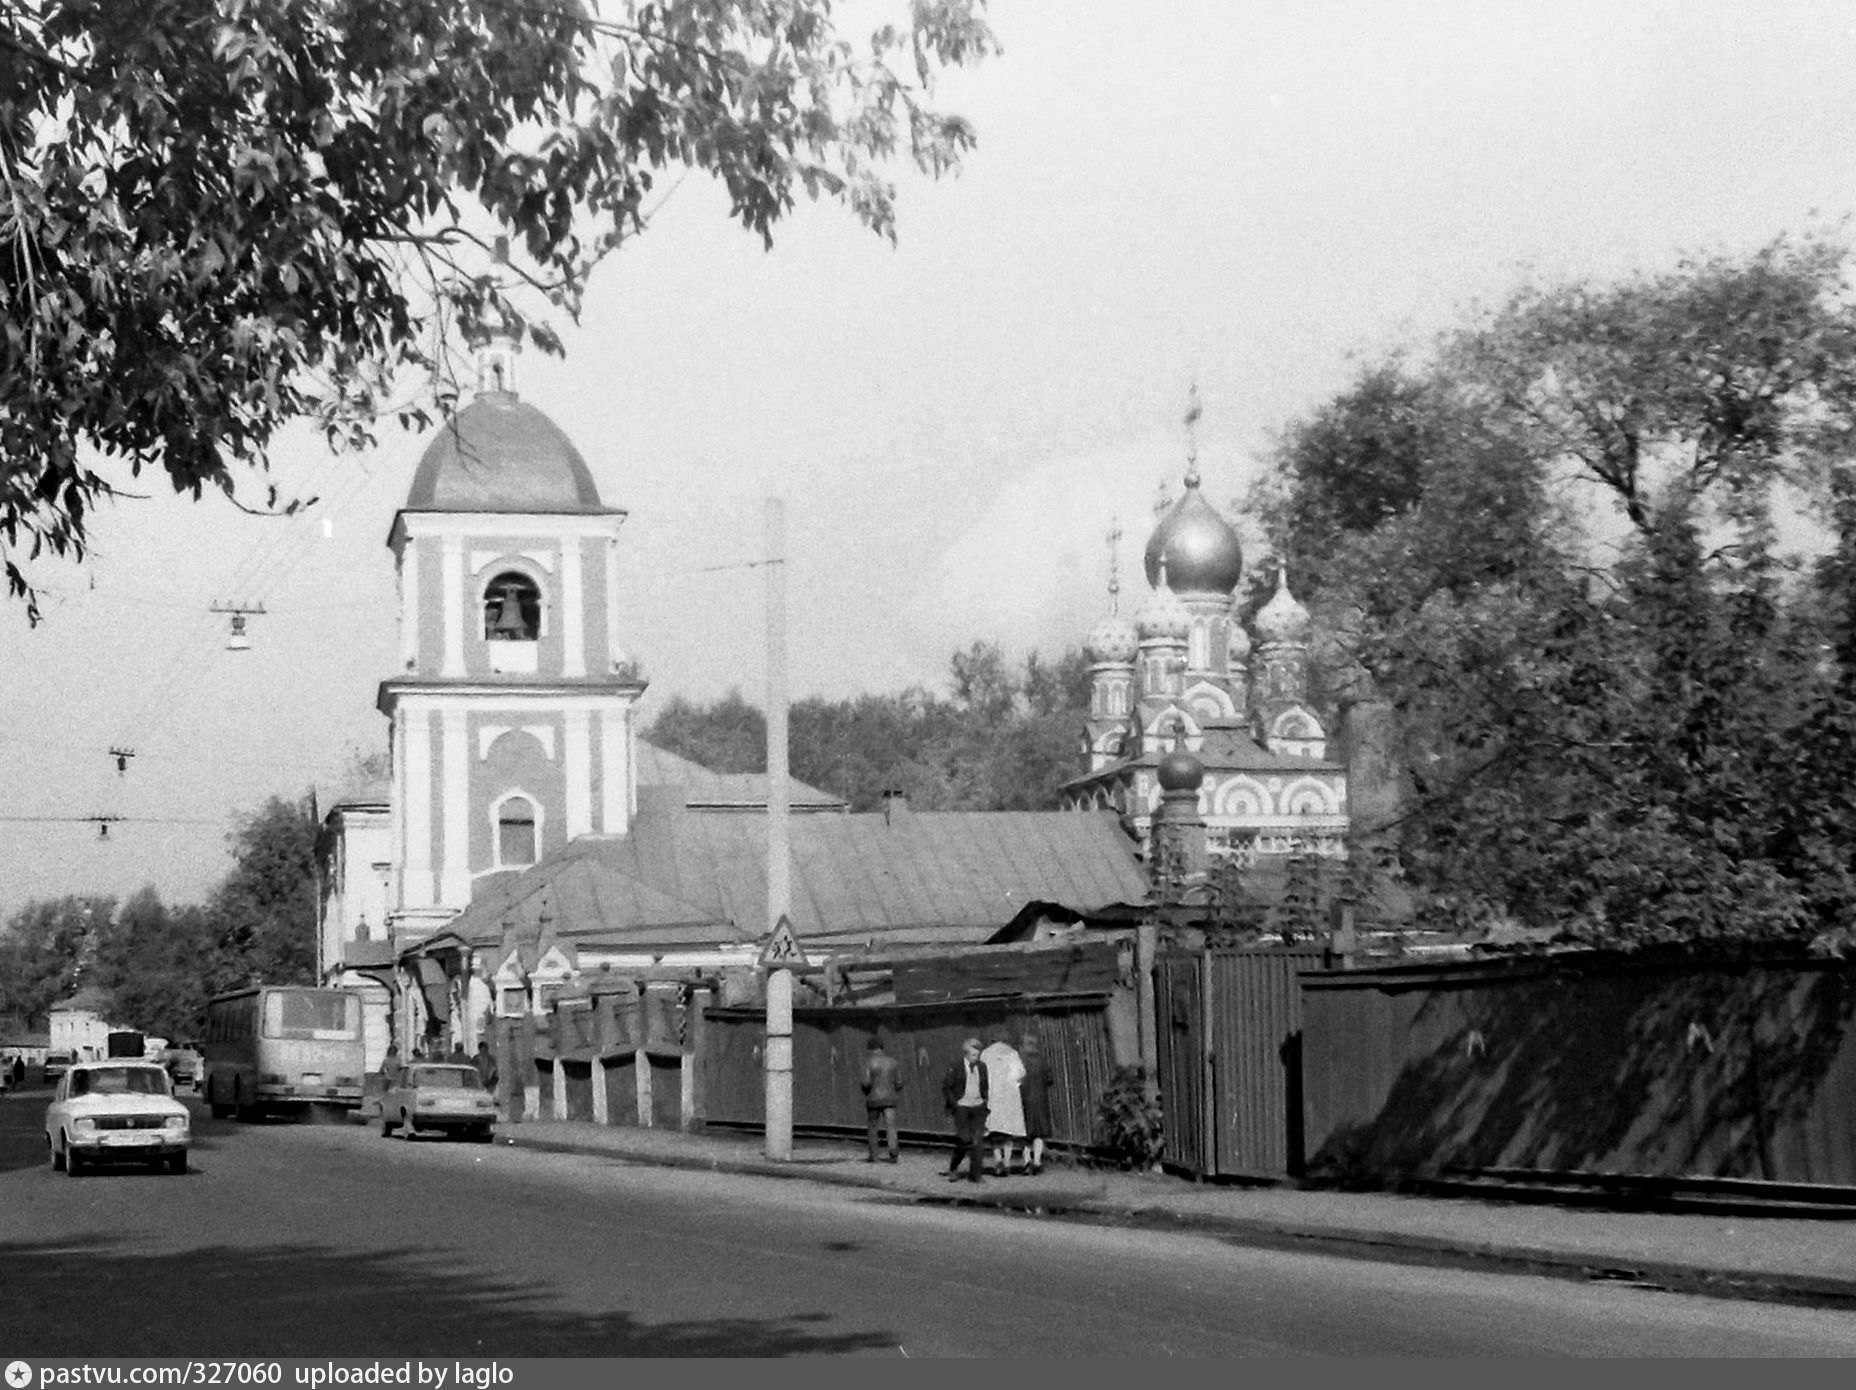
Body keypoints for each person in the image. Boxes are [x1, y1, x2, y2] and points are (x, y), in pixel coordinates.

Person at [941, 1037, 989, 1183]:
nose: (977, 1058)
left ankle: (975, 1175)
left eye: (978, 1055)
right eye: (974, 1055)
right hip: (962, 1106)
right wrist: (955, 1104)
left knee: (977, 1140)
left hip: (978, 1106)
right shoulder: (956, 1066)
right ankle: (954, 1167)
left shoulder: (982, 1067)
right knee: (964, 1139)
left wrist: (985, 1100)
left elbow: (985, 1085)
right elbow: (947, 1087)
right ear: (966, 1054)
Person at [980, 1032, 1027, 1176]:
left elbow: (981, 1075)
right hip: (1009, 1097)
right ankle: (1007, 1161)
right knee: (1008, 1132)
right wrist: (1013, 1083)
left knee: (994, 1132)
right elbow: (1020, 1072)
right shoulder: (1012, 1053)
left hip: (993, 1096)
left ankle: (998, 1159)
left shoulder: (986, 1054)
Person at [859, 1035, 903, 1163]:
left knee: (873, 1126)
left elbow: (866, 1083)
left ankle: (874, 1155)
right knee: (891, 1126)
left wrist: (866, 1092)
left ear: (870, 1049)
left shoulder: (869, 1062)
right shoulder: (893, 1062)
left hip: (873, 1098)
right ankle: (893, 1153)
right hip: (890, 1098)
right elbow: (899, 1083)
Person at [1019, 1033, 1054, 1176]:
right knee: (1039, 1133)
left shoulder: (1021, 1061)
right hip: (1040, 1101)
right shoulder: (1043, 1061)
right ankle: (1037, 1161)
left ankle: (1027, 1161)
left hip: (1024, 1100)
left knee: (1025, 1133)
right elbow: (1049, 1080)